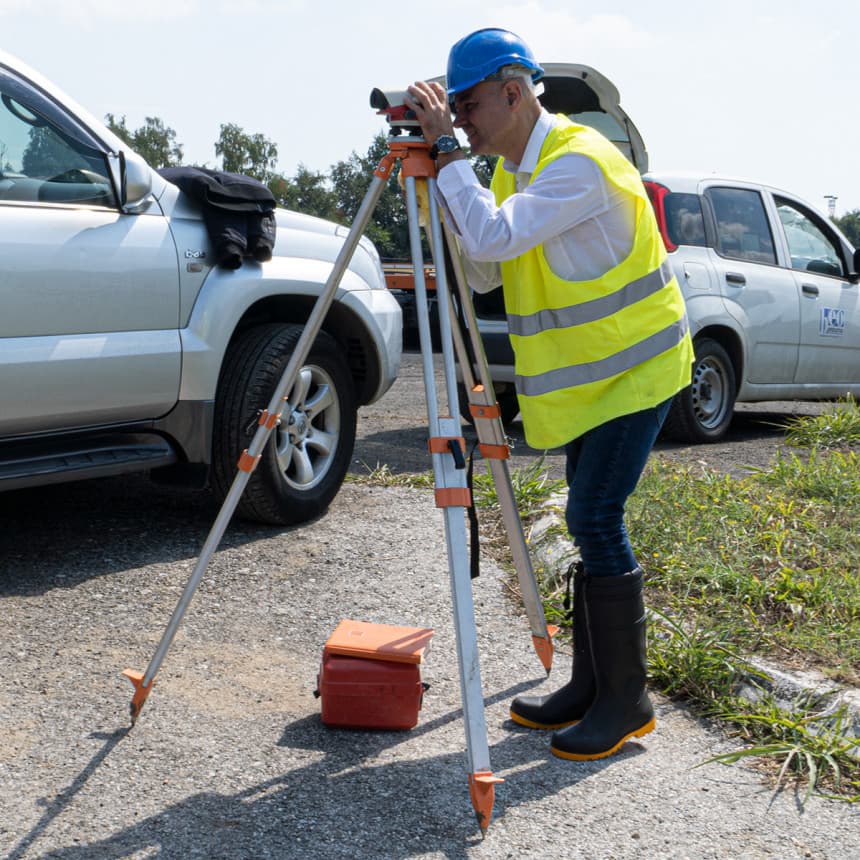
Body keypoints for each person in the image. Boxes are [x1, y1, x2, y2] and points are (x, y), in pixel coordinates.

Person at [406, 28, 694, 761]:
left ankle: (626, 700)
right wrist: (440, 188)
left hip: (640, 367)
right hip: (599, 376)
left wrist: (446, 161)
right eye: (453, 109)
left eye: (466, 104)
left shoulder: (580, 163)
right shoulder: (509, 173)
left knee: (594, 514)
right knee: (588, 515)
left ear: (512, 91)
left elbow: (496, 240)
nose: (460, 120)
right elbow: (481, 272)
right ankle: (590, 686)